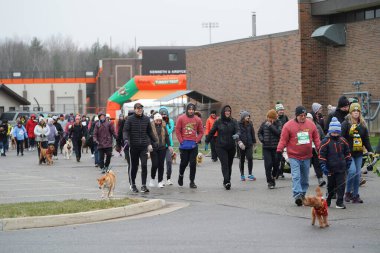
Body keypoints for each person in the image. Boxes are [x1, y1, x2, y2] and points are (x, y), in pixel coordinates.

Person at [277, 106, 321, 206]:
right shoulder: (288, 126)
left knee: (305, 178)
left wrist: (320, 149)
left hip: (307, 156)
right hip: (294, 156)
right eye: (301, 115)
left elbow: (316, 139)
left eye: (305, 115)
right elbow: (283, 139)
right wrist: (279, 150)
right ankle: (297, 195)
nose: (303, 117)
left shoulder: (311, 124)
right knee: (296, 176)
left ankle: (302, 194)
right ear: (296, 115)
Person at [341, 103, 373, 204]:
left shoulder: (362, 125)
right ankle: (347, 192)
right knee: (352, 171)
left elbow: (366, 139)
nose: (356, 112)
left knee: (357, 174)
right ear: (350, 112)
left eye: (357, 111)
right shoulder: (346, 123)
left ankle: (355, 195)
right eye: (354, 111)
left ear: (359, 113)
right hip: (348, 153)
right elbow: (341, 138)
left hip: (359, 153)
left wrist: (370, 150)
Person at [123, 103, 157, 193]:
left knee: (144, 165)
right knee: (134, 166)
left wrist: (155, 141)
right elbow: (125, 131)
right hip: (133, 147)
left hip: (143, 147)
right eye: (137, 108)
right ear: (134, 109)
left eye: (141, 108)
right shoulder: (130, 119)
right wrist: (126, 140)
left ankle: (143, 185)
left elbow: (149, 131)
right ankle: (133, 184)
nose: (139, 110)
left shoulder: (146, 119)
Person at [319, 117, 352, 209]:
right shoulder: (325, 142)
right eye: (333, 132)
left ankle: (339, 202)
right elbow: (321, 155)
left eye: (337, 132)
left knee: (341, 185)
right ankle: (328, 199)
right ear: (330, 131)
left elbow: (347, 152)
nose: (335, 134)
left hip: (341, 168)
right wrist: (323, 165)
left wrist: (348, 161)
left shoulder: (343, 141)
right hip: (330, 169)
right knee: (331, 186)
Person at [205, 105, 239, 190]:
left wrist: (237, 134)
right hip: (220, 146)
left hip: (231, 146)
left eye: (229, 111)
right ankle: (227, 181)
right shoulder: (218, 121)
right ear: (223, 112)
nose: (228, 112)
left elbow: (238, 130)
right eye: (226, 111)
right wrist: (207, 141)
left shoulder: (234, 121)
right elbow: (212, 131)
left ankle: (226, 180)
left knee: (229, 164)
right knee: (225, 164)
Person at [175, 102, 204, 189]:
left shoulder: (197, 119)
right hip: (184, 144)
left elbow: (201, 132)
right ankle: (181, 175)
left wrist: (196, 140)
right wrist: (181, 141)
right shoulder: (181, 118)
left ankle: (192, 181)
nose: (191, 111)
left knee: (193, 163)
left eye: (192, 109)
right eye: (189, 109)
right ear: (187, 109)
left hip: (193, 145)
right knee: (184, 162)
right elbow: (177, 130)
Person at [258, 109, 282, 189]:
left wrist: (270, 126)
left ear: (275, 118)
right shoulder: (264, 123)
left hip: (276, 148)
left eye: (272, 118)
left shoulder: (278, 123)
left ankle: (274, 175)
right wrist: (262, 139)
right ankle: (270, 182)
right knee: (268, 165)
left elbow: (279, 133)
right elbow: (259, 133)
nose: (270, 120)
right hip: (266, 148)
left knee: (276, 164)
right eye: (269, 118)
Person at [149, 113, 173, 188]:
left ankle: (160, 181)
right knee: (155, 164)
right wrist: (149, 145)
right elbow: (148, 136)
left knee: (161, 165)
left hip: (162, 148)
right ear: (154, 120)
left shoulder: (164, 126)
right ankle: (152, 179)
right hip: (154, 148)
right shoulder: (150, 126)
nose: (159, 122)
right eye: (157, 121)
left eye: (160, 120)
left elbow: (166, 136)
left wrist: (169, 145)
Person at [307, 112, 326, 187]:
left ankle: (320, 179)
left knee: (317, 164)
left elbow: (323, 137)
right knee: (305, 165)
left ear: (312, 119)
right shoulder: (301, 127)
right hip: (305, 149)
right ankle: (303, 180)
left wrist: (320, 145)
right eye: (307, 118)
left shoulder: (317, 126)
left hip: (315, 148)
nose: (308, 120)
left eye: (309, 118)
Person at [238, 111, 257, 181]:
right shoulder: (238, 124)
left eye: (248, 116)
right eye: (247, 116)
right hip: (242, 144)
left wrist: (254, 144)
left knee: (250, 158)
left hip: (249, 144)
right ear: (243, 117)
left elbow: (253, 133)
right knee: (242, 159)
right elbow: (237, 134)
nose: (248, 117)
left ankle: (250, 174)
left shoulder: (250, 124)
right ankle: (242, 174)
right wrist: (239, 142)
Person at [159, 106, 175, 185]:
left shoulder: (171, 121)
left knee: (169, 161)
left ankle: (168, 178)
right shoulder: (157, 121)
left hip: (169, 145)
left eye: (165, 114)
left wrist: (166, 123)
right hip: (160, 145)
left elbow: (168, 131)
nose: (163, 116)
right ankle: (161, 179)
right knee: (160, 163)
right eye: (162, 114)